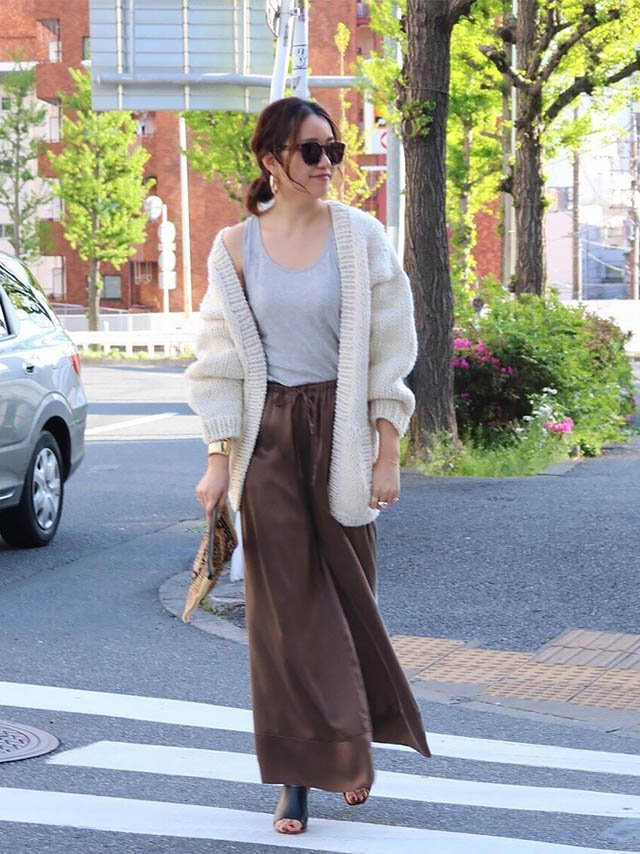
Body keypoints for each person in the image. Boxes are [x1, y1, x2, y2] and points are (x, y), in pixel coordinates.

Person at [185, 96, 430, 836]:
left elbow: (391, 347)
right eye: (311, 151)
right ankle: (296, 777)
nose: (328, 164)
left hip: (343, 433)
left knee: (349, 598)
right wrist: (218, 461)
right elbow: (219, 361)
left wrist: (388, 449)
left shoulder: (361, 236)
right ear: (272, 160)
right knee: (284, 618)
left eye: (334, 149)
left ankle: (351, 742)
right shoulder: (234, 247)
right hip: (268, 438)